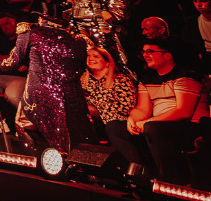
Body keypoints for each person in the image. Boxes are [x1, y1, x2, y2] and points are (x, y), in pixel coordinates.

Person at [125, 39, 207, 185]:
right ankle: (140, 178)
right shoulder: (147, 79)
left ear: (168, 55)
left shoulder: (185, 76)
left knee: (152, 128)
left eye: (150, 51)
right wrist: (132, 119)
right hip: (159, 125)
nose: (145, 55)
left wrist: (147, 122)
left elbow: (183, 112)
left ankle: (171, 181)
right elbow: (143, 108)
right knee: (120, 127)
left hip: (192, 126)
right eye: (143, 52)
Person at [79, 42, 143, 170]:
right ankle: (87, 167)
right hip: (97, 123)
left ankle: (136, 168)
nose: (90, 59)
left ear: (107, 62)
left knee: (112, 126)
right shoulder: (84, 82)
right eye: (88, 56)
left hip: (119, 121)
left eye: (96, 56)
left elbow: (127, 106)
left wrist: (100, 112)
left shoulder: (120, 79)